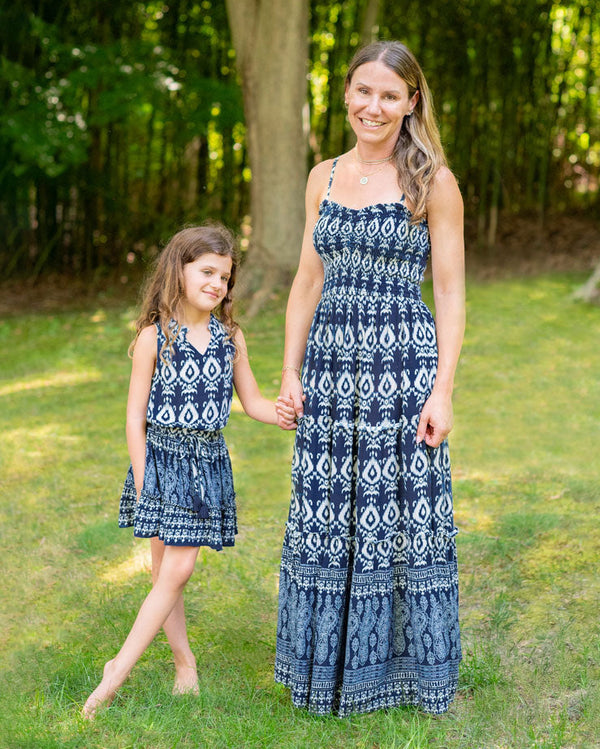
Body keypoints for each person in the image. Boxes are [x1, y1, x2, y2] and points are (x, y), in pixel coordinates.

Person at [275, 41, 465, 715]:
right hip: (329, 369)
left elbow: (449, 292)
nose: (373, 106)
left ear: (412, 101)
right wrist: (291, 371)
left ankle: (401, 669)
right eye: (363, 91)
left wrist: (441, 389)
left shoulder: (433, 181)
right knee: (331, 517)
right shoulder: (321, 175)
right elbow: (306, 279)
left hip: (401, 370)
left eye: (390, 94)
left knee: (396, 519)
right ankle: (324, 664)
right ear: (346, 94)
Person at [83, 224, 296, 718]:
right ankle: (149, 667)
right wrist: (143, 478)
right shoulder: (154, 338)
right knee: (171, 571)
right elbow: (134, 416)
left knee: (172, 572)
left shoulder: (231, 338)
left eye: (225, 276)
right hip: (160, 460)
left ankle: (152, 666)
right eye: (207, 271)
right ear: (177, 271)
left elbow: (254, 402)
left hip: (205, 464)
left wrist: (286, 412)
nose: (217, 284)